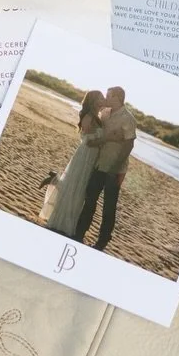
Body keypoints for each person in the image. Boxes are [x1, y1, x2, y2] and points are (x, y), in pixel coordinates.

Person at [75, 85, 136, 251]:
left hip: (114, 169)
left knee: (109, 207)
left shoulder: (128, 118)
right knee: (90, 200)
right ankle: (79, 233)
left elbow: (129, 144)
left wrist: (115, 168)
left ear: (117, 98)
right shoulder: (105, 113)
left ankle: (102, 241)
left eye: (108, 96)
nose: (106, 99)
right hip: (99, 163)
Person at [44, 90, 106, 239]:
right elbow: (87, 139)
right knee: (75, 185)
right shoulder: (88, 116)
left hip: (92, 158)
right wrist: (102, 140)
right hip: (85, 155)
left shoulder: (98, 117)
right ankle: (62, 222)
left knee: (80, 187)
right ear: (93, 100)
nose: (103, 99)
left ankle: (55, 179)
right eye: (100, 97)